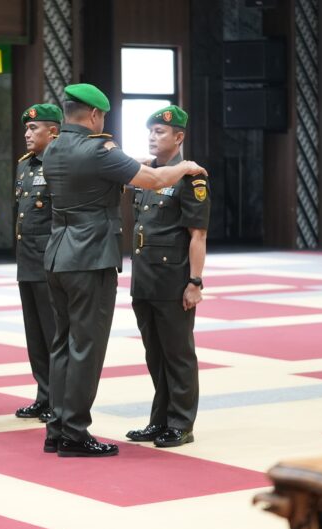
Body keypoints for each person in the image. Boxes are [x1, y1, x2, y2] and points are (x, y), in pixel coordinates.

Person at [42, 84, 208, 458]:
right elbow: (156, 180)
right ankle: (74, 433)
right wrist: (184, 166)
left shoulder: (53, 148)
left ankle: (57, 428)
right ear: (94, 115)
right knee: (85, 348)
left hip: (56, 257)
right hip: (89, 259)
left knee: (62, 346)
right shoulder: (99, 150)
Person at [126, 105, 211, 448]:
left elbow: (198, 235)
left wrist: (195, 282)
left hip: (173, 280)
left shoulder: (192, 178)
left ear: (179, 137)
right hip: (145, 278)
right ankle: (159, 419)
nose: (152, 136)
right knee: (155, 355)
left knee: (178, 355)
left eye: (160, 132)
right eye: (150, 131)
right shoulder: (147, 175)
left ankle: (181, 423)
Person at [13, 104, 62, 422]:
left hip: (49, 262)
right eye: (26, 129)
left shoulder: (59, 164)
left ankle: (58, 400)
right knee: (34, 335)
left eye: (34, 129)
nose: (27, 134)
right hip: (26, 260)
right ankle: (43, 395)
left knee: (53, 333)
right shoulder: (24, 165)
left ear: (53, 131)